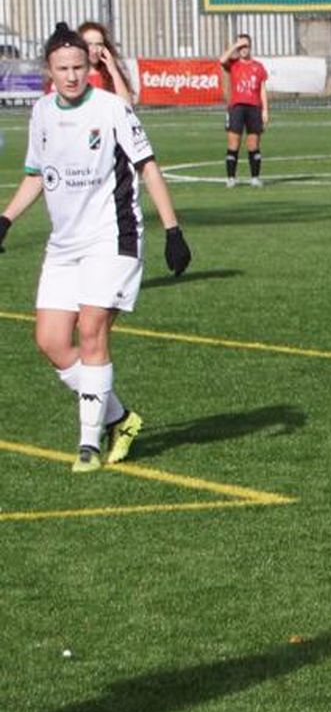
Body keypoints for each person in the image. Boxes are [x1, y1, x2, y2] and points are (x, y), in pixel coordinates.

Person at [0, 24, 192, 473]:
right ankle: (120, 418)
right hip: (64, 245)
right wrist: (5, 219)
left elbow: (147, 167)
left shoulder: (112, 109)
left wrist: (174, 231)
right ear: (49, 71)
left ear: (90, 68)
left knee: (91, 329)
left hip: (113, 237)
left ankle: (88, 445)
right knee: (50, 341)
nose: (71, 76)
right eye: (62, 68)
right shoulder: (42, 112)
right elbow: (35, 174)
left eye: (78, 67)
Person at [220, 34, 269, 188]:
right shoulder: (233, 64)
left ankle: (255, 177)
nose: (243, 49)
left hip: (254, 107)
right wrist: (235, 45)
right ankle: (231, 178)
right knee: (233, 143)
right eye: (240, 47)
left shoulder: (258, 67)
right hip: (237, 107)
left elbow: (262, 89)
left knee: (253, 143)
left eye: (245, 46)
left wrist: (265, 110)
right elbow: (221, 60)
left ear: (250, 47)